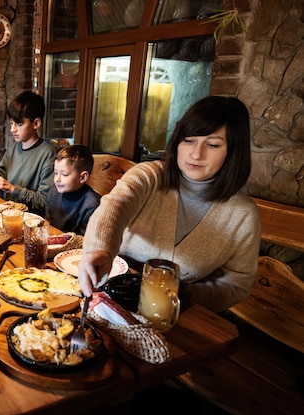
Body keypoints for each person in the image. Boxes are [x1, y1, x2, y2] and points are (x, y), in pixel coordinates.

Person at [78, 96, 261, 313]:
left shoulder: (243, 215)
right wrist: (100, 250)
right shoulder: (150, 175)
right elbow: (115, 207)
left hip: (174, 316)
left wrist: (178, 296)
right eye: (188, 140)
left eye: (212, 144)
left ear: (233, 151)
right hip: (106, 297)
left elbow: (236, 283)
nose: (196, 153)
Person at [0, 91, 56, 215]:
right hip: (6, 212)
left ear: (36, 123)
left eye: (19, 124)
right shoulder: (14, 148)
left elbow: (44, 201)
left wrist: (13, 189)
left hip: (29, 219)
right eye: (11, 123)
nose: (12, 129)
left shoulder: (47, 153)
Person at [45, 145, 101, 235]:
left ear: (83, 177)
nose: (57, 179)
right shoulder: (53, 192)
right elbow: (47, 224)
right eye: (56, 173)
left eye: (65, 174)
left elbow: (84, 240)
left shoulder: (92, 205)